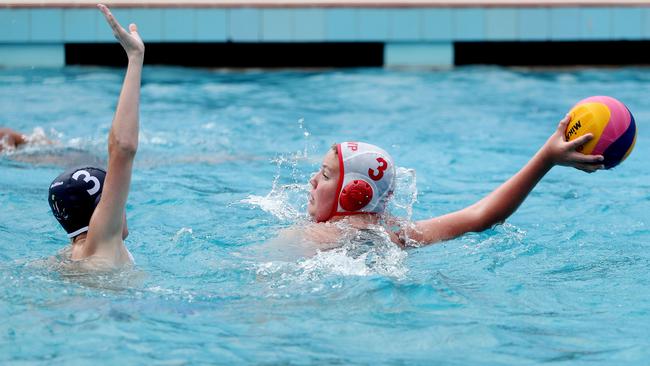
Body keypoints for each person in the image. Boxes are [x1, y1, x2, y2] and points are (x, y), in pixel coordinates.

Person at [305, 114, 605, 247]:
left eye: (326, 174)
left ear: (354, 193)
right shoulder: (398, 234)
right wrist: (546, 159)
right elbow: (482, 216)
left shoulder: (314, 238)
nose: (313, 181)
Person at [47, 4, 143, 270]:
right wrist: (135, 58)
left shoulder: (66, 258)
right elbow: (122, 148)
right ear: (100, 209)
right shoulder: (103, 241)